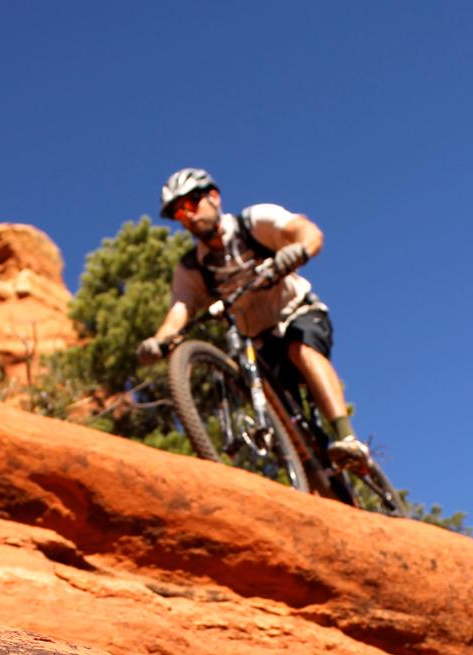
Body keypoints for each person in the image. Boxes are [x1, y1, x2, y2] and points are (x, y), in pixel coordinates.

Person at [137, 167, 370, 473]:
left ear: (214, 197)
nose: (187, 216)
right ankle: (318, 480)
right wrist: (159, 341)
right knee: (288, 423)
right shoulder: (192, 268)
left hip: (296, 313)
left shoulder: (254, 222)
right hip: (259, 342)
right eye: (179, 213)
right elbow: (180, 308)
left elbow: (307, 232)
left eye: (191, 204)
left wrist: (297, 251)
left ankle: (347, 438)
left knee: (300, 350)